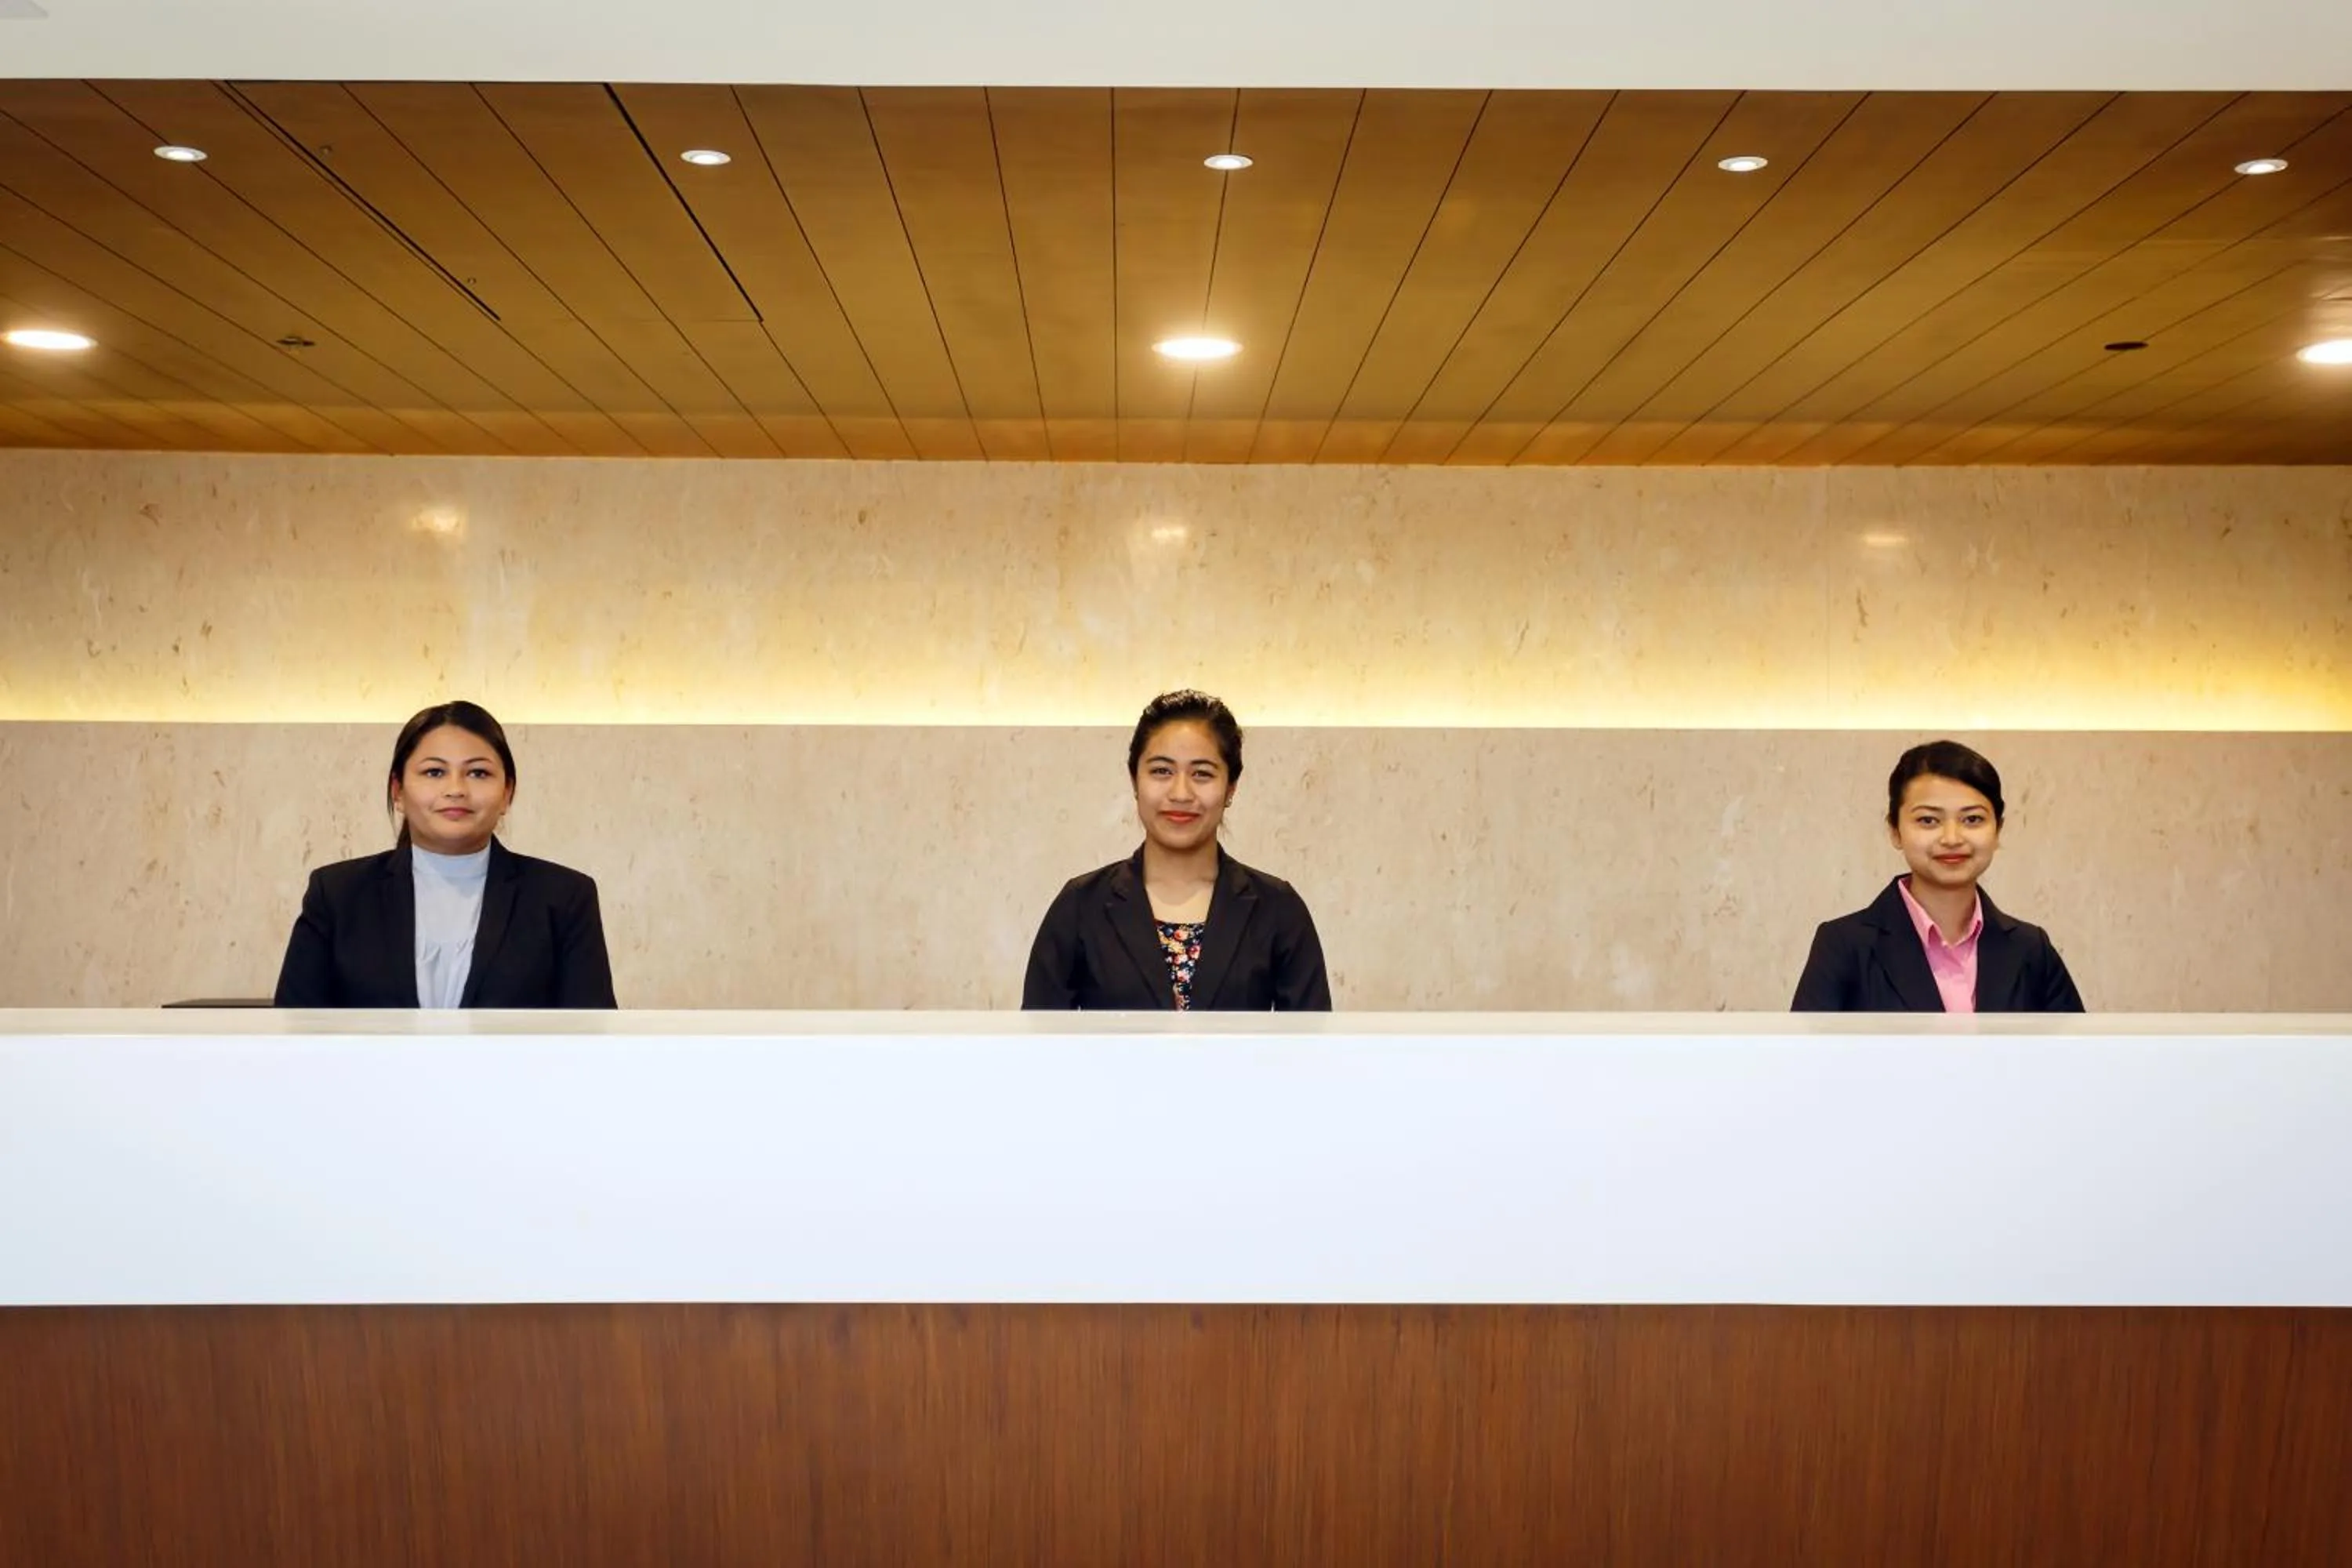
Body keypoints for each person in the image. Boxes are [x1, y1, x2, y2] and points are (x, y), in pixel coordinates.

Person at [273, 700, 616, 1008]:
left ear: (507, 792)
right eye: (434, 772)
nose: (456, 789)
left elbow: (591, 1042)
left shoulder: (565, 898)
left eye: (478, 773)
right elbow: (293, 1032)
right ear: (398, 791)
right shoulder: (336, 894)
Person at [1023, 690, 1330, 1011]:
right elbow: (1037, 1049)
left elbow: (1312, 1052)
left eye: (1202, 774)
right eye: (1161, 771)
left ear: (1231, 788)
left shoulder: (1278, 909)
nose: (1181, 793)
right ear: (1134, 780)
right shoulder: (1080, 906)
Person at [1791, 739, 2082, 1013]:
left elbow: (2079, 1058)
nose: (1952, 838)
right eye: (1928, 820)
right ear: (1895, 830)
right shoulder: (1844, 945)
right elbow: (1805, 1061)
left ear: (1997, 831)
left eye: (1973, 819)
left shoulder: (2032, 949)